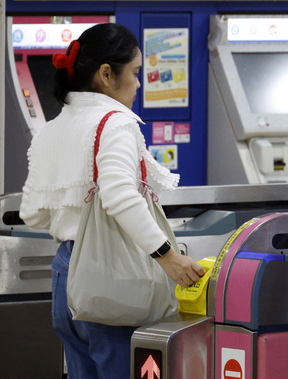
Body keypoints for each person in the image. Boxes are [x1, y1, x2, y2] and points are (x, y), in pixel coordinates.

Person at [19, 23, 205, 378]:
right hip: (114, 274)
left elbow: (32, 214)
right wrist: (168, 257)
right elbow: (119, 195)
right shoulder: (115, 123)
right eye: (135, 73)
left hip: (65, 275)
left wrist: (75, 219)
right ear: (107, 74)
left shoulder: (51, 129)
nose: (138, 85)